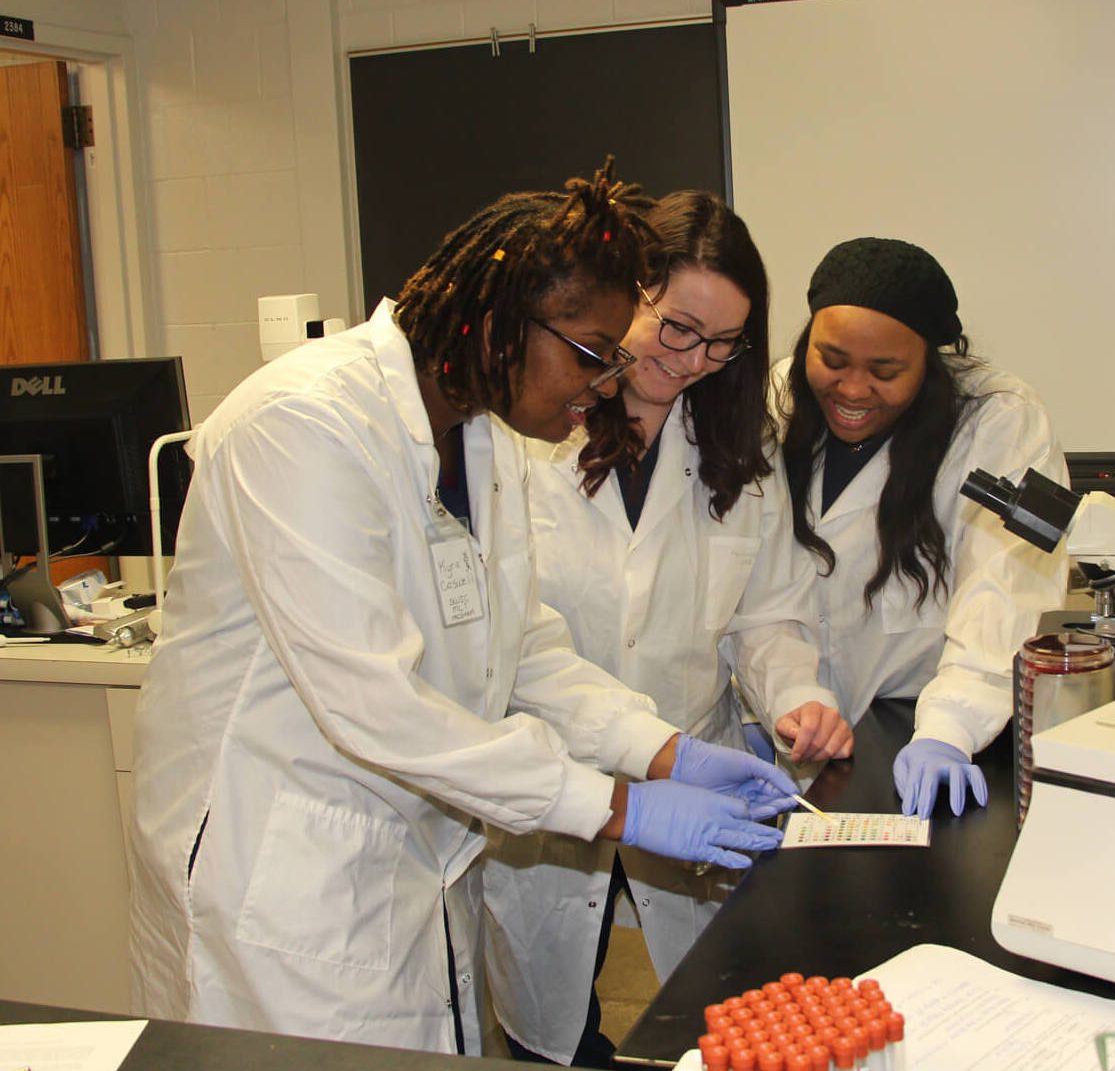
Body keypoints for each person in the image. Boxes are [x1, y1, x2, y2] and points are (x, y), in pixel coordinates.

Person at [125, 164, 799, 1056]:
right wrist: (615, 807)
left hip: (408, 863)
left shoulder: (485, 434)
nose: (607, 385)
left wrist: (665, 752)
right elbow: (375, 704)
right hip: (277, 868)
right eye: (595, 355)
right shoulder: (304, 425)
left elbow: (520, 648)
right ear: (496, 321)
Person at [483, 191, 850, 1066]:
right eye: (678, 328)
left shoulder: (733, 446)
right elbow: (512, 645)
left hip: (694, 772)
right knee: (555, 1035)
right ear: (626, 293)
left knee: (720, 1022)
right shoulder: (524, 437)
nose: (694, 362)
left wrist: (796, 696)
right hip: (546, 781)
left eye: (724, 345)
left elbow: (763, 614)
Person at [774, 236, 1069, 820]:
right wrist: (780, 692)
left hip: (916, 728)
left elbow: (1006, 586)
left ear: (933, 360)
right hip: (790, 725)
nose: (853, 390)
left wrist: (950, 727)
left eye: (885, 371)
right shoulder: (776, 398)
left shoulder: (1003, 418)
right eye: (831, 360)